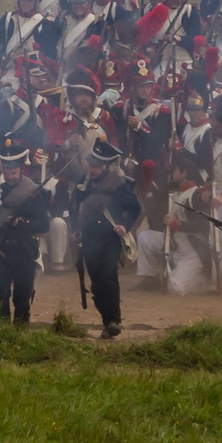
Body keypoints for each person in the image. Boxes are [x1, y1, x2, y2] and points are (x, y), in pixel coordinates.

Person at [73, 140, 142, 337]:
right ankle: (107, 321)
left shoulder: (119, 185)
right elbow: (74, 206)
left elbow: (135, 207)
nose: (92, 169)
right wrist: (74, 228)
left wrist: (124, 226)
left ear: (107, 166)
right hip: (89, 237)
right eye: (91, 164)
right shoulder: (83, 182)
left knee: (109, 277)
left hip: (110, 238)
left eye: (96, 166)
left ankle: (113, 320)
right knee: (97, 283)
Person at [0, 135, 50, 323]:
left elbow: (43, 225)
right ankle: (2, 330)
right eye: (6, 172)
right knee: (0, 293)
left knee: (22, 295)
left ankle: (20, 329)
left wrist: (22, 222)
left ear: (21, 169)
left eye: (13, 173)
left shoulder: (33, 192)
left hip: (24, 250)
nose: (9, 177)